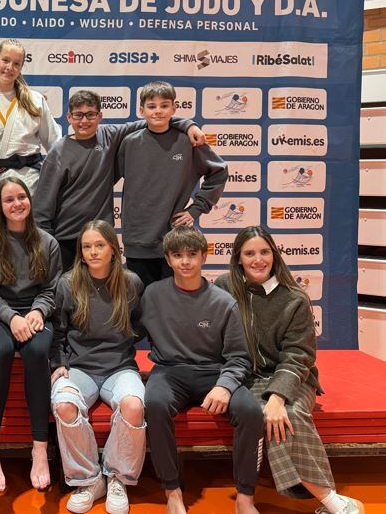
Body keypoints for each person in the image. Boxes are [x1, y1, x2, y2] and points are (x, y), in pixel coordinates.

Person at [215, 226, 365, 514]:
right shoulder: (224, 287)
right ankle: (334, 503)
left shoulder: (294, 298)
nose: (258, 260)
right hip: (247, 378)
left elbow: (299, 356)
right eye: (249, 253)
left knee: (288, 414)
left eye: (264, 252)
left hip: (294, 378)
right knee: (262, 414)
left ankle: (329, 500)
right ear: (238, 259)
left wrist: (277, 397)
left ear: (274, 255)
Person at [140, 226, 263, 514]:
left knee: (251, 411)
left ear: (204, 257)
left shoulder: (224, 302)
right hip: (170, 371)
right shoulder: (152, 295)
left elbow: (238, 357)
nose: (185, 261)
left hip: (214, 372)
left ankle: (245, 498)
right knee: (154, 404)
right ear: (168, 259)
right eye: (177, 255)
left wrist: (224, 386)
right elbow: (126, 330)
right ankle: (172, 491)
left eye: (192, 254)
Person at [35, 89, 203, 268]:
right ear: (69, 117)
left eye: (90, 114)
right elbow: (42, 205)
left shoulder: (110, 136)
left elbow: (155, 120)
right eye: (78, 115)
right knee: (67, 285)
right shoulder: (58, 151)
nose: (84, 121)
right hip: (66, 238)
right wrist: (46, 243)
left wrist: (189, 125)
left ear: (100, 116)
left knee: (104, 286)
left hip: (102, 237)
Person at [49, 220, 145, 514]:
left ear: (113, 249)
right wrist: (58, 363)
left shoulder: (131, 283)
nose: (93, 252)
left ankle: (117, 477)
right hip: (80, 368)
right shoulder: (68, 284)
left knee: (133, 405)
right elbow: (58, 331)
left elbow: (141, 326)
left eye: (100, 245)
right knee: (64, 404)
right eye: (87, 246)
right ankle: (89, 480)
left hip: (120, 368)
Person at [0, 177, 61, 492]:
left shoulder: (47, 242)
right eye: (9, 200)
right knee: (1, 351)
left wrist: (38, 311)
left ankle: (39, 448)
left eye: (21, 197)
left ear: (30, 201)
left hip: (34, 311)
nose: (17, 204)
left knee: (37, 352)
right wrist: (11, 318)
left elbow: (51, 289)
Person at [118, 81, 228, 287]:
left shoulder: (188, 141)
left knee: (173, 300)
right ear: (141, 110)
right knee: (140, 301)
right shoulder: (129, 142)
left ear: (174, 108)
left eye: (164, 105)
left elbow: (219, 172)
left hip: (174, 240)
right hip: (137, 240)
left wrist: (197, 208)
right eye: (152, 106)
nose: (158, 111)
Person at [0, 39, 61, 225]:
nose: (10, 67)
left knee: (32, 238)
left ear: (21, 68)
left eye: (16, 63)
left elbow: (55, 143)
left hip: (30, 182)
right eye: (5, 60)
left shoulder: (35, 100)